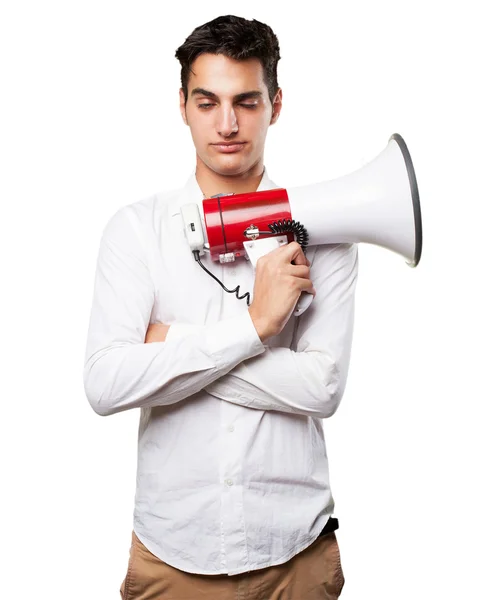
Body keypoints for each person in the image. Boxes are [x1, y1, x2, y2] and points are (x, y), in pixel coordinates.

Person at [83, 14, 358, 600]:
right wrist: (255, 328)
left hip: (297, 555)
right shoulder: (135, 231)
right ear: (182, 105)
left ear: (276, 105)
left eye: (247, 102)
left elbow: (322, 390)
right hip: (171, 558)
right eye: (207, 101)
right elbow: (106, 384)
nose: (227, 124)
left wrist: (170, 346)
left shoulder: (330, 229)